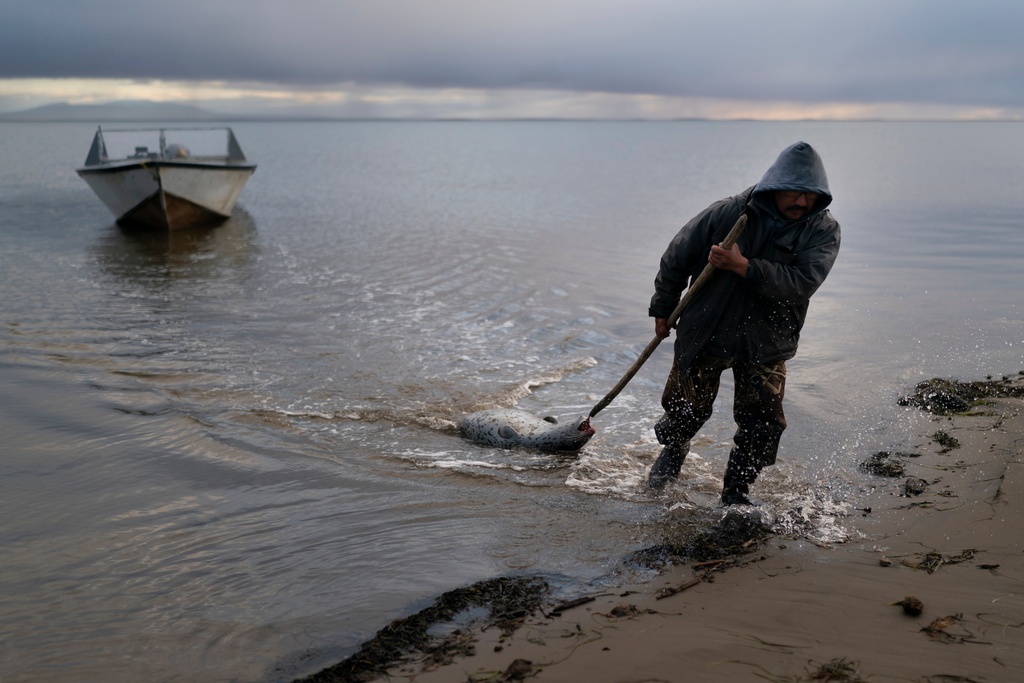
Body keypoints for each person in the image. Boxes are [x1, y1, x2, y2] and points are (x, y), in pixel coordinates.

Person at [646, 141, 840, 505]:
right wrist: (662, 308)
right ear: (774, 186)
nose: (802, 202)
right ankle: (673, 453)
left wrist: (742, 266)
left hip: (768, 343)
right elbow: (677, 257)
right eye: (794, 192)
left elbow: (802, 284)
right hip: (706, 331)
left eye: (810, 194)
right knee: (684, 410)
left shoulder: (822, 231)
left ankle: (736, 492)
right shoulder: (727, 213)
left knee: (763, 425)